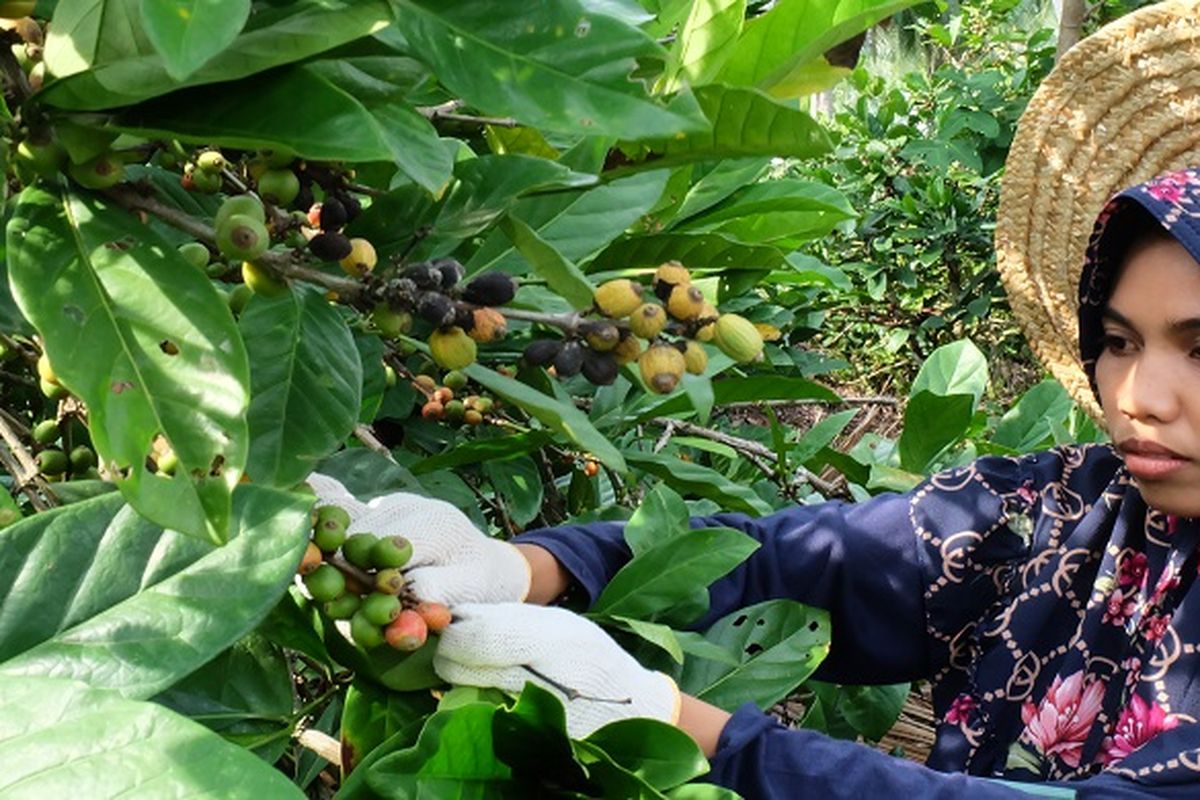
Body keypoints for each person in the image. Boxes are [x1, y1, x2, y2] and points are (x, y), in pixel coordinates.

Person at [311, 3, 1200, 797]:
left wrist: (679, 725)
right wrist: (532, 571)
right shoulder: (1066, 510)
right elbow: (799, 562)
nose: (1138, 396)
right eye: (1118, 342)